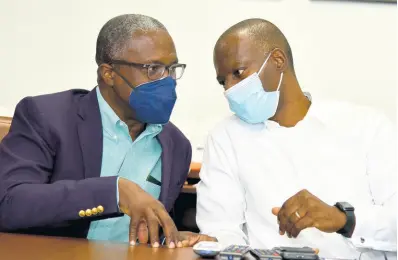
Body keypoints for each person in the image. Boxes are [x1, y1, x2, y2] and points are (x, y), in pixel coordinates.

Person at [195, 19, 397, 259]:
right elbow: (221, 230)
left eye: (238, 73)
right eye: (223, 81)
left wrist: (343, 220)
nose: (229, 89)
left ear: (278, 60)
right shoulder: (224, 138)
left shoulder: (366, 126)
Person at [0, 14, 191, 249]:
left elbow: (145, 231)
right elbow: (8, 204)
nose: (167, 81)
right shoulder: (46, 117)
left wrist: (170, 239)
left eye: (172, 69)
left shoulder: (176, 145)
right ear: (109, 73)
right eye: (153, 69)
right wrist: (114, 192)